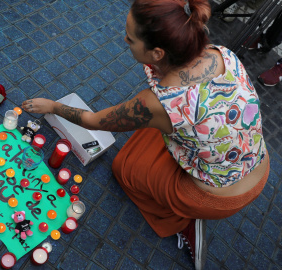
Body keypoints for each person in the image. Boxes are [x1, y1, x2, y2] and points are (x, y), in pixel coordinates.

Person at [21, 0, 270, 269]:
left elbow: (92, 121)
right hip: (256, 161)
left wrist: (54, 106)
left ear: (158, 53)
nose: (123, 40)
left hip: (221, 195)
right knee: (153, 130)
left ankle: (184, 220)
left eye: (129, 39)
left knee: (124, 168)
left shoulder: (157, 103)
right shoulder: (221, 53)